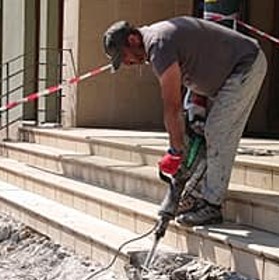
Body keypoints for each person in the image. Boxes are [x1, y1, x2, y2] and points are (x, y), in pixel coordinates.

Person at [103, 16, 267, 226]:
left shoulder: (158, 44)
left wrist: (175, 151)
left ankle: (211, 206)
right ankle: (196, 195)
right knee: (196, 133)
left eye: (124, 57)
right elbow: (196, 62)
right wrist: (190, 124)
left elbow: (172, 107)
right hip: (224, 76)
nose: (127, 63)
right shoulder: (159, 41)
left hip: (245, 65)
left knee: (218, 132)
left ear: (133, 40)